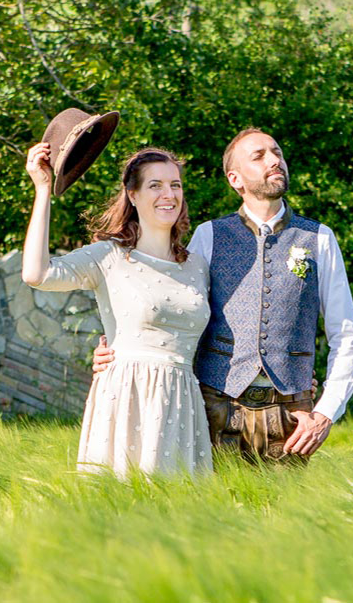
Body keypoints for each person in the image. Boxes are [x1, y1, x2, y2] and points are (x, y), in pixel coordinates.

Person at [94, 128, 353, 463]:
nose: (275, 160)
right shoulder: (209, 236)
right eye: (259, 155)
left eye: (276, 152)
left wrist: (326, 412)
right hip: (214, 406)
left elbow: (346, 334)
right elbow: (169, 307)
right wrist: (121, 348)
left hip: (292, 414)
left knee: (284, 514)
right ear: (235, 179)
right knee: (207, 513)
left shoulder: (319, 238)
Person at [22, 142, 213, 478]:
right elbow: (37, 275)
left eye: (175, 185)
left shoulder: (197, 265)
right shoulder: (108, 256)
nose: (168, 194)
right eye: (155, 185)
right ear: (133, 195)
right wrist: (42, 189)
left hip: (183, 400)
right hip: (127, 396)